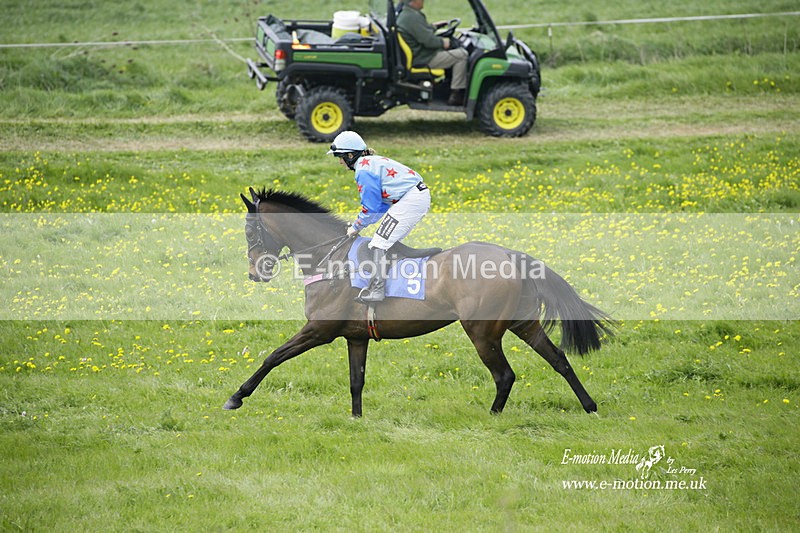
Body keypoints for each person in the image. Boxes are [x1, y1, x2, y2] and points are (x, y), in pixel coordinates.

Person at [327, 130, 431, 303]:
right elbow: (379, 206)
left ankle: (377, 290)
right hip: (412, 197)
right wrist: (359, 224)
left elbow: (371, 208)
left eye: (340, 157)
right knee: (384, 241)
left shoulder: (363, 171)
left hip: (410, 199)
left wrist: (356, 227)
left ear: (350, 155)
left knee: (379, 243)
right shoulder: (369, 163)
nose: (339, 162)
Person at [396, 0, 469, 106]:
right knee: (462, 55)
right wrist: (445, 42)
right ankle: (456, 95)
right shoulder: (411, 17)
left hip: (420, 54)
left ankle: (447, 86)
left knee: (453, 53)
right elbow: (429, 41)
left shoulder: (408, 14)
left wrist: (435, 26)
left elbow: (421, 31)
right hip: (424, 58)